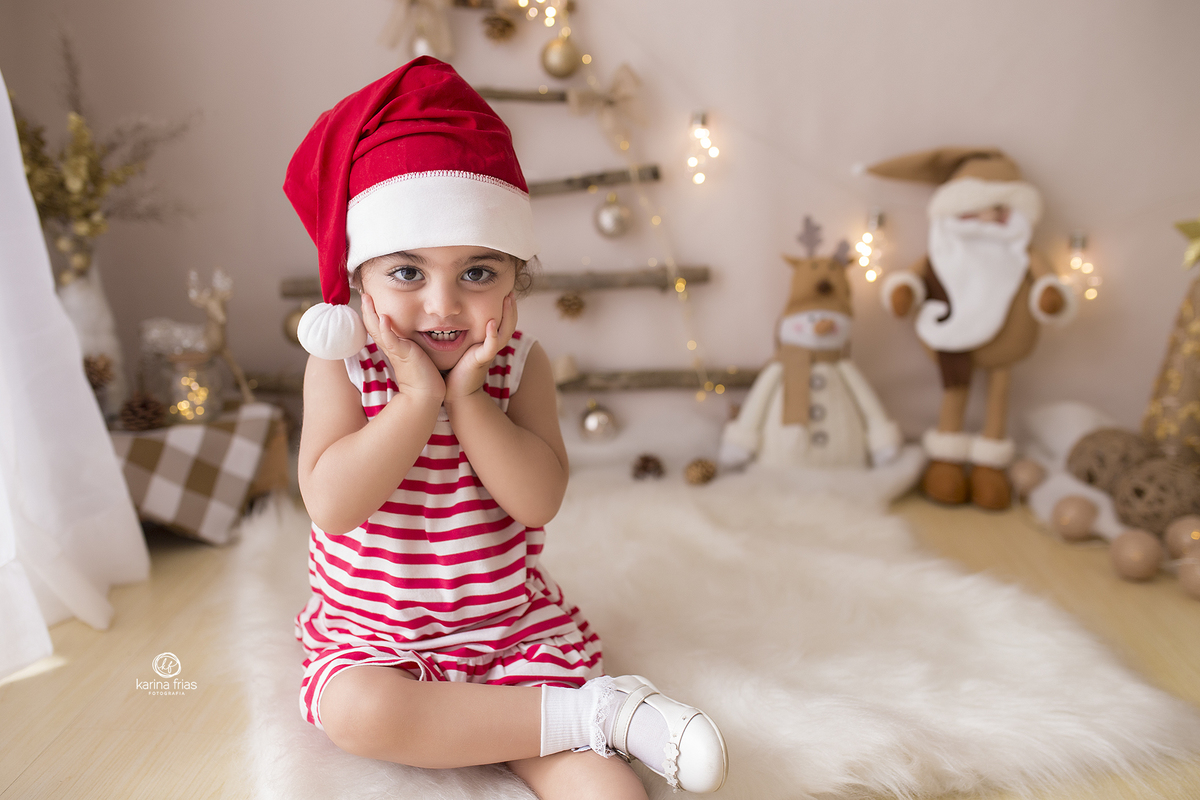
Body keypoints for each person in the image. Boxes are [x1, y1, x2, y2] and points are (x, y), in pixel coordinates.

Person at [283, 57, 728, 799]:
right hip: (376, 643)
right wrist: (415, 402)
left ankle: (587, 722)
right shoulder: (341, 366)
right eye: (407, 273)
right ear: (359, 278)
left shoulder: (521, 365)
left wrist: (467, 403)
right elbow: (333, 503)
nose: (443, 305)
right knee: (358, 714)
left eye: (478, 273)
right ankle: (599, 714)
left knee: (608, 791)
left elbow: (536, 500)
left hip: (506, 636)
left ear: (517, 280)